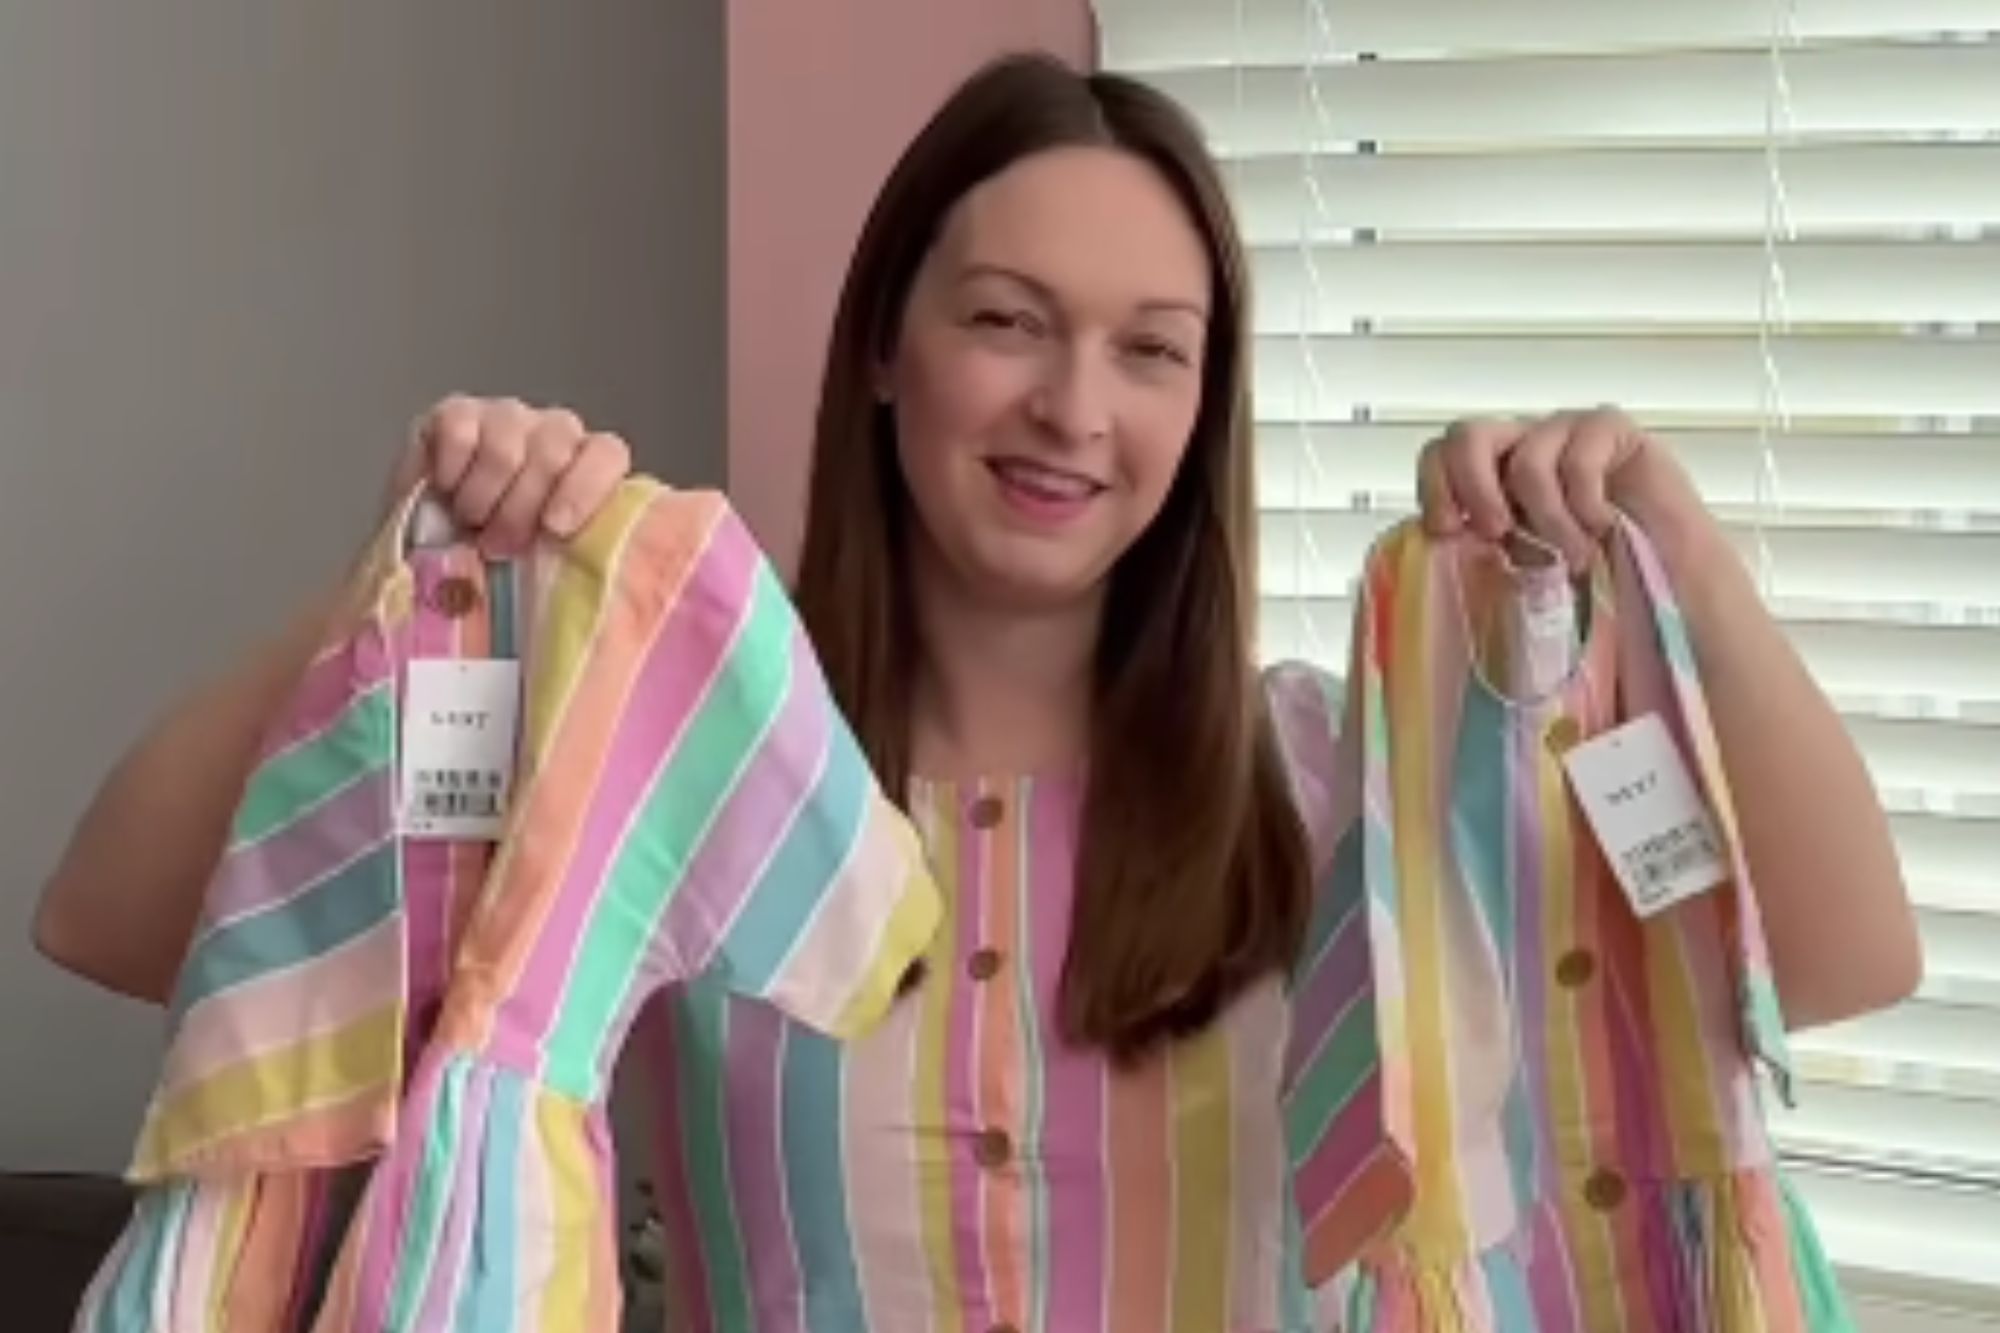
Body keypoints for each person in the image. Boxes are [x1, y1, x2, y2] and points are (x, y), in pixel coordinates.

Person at [37, 52, 1917, 1331]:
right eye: (1006, 319)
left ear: (1204, 410)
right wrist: (404, 569)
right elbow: (114, 921)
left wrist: (1677, 546)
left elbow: (1828, 962)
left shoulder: (1329, 776)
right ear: (881, 345)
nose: (1072, 412)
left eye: (1149, 352)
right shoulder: (667, 762)